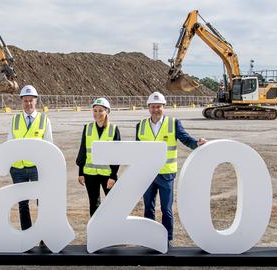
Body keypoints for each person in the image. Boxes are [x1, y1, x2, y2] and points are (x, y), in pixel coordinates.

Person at [136, 91, 207, 245]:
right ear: (148, 108)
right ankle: (149, 237)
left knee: (166, 209)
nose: (156, 109)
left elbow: (185, 139)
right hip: (147, 174)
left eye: (159, 106)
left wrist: (196, 143)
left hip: (166, 174)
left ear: (164, 107)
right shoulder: (140, 126)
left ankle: (167, 239)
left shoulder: (173, 123)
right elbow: (137, 149)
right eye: (153, 106)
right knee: (148, 207)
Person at [7, 84, 53, 230]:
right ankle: (26, 233)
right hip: (18, 168)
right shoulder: (15, 119)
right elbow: (9, 143)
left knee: (42, 201)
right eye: (25, 100)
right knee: (22, 203)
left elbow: (49, 145)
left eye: (31, 100)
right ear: (22, 101)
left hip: (37, 168)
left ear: (36, 101)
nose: (28, 103)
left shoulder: (43, 120)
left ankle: (43, 233)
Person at [75, 97, 121, 216]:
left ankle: (112, 229)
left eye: (100, 110)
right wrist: (81, 172)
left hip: (107, 174)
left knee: (113, 203)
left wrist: (113, 176)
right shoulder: (88, 128)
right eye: (95, 110)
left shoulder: (114, 129)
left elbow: (117, 155)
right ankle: (95, 231)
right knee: (94, 203)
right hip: (90, 173)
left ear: (107, 112)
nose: (97, 113)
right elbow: (83, 151)